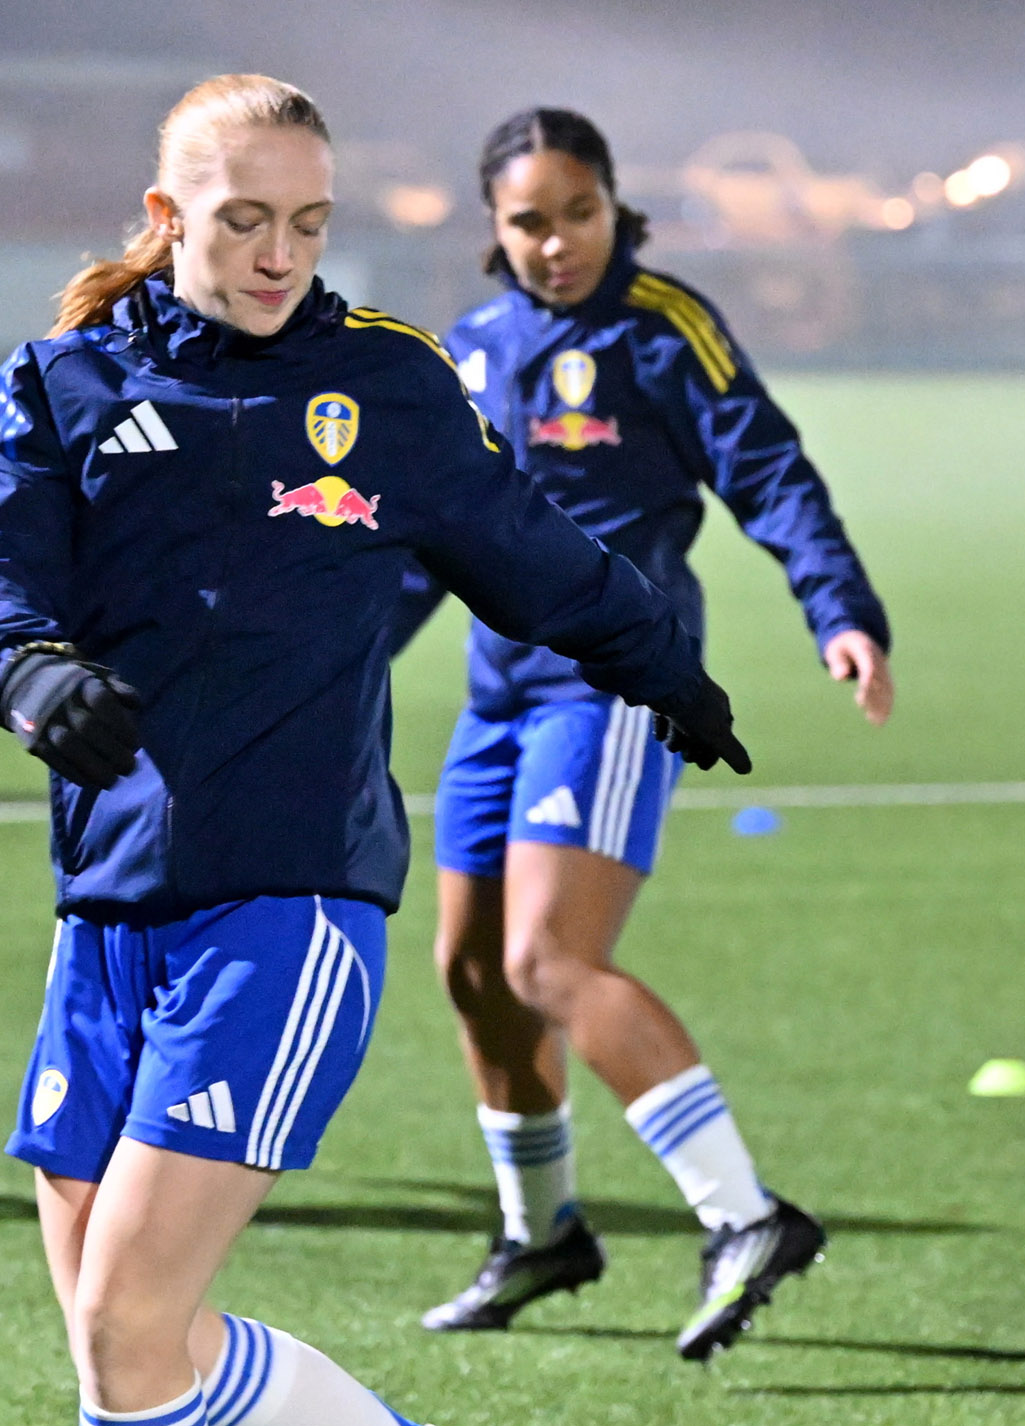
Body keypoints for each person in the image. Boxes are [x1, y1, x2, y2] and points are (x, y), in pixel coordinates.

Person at [0, 73, 749, 1426]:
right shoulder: (63, 380)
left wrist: (664, 666)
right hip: (107, 900)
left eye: (306, 223)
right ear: (167, 215)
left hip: (288, 899)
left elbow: (529, 548)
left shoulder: (383, 382)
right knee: (121, 1338)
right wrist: (29, 674)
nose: (278, 254)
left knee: (128, 1323)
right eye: (243, 219)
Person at [399, 109, 893, 1362]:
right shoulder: (472, 346)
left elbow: (768, 468)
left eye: (579, 213)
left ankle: (747, 1216)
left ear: (617, 205)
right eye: (529, 221)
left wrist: (838, 607)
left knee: (546, 963)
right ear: (493, 228)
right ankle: (544, 1233)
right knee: (468, 972)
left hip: (613, 680)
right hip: (497, 692)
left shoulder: (662, 325)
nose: (557, 242)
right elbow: (432, 540)